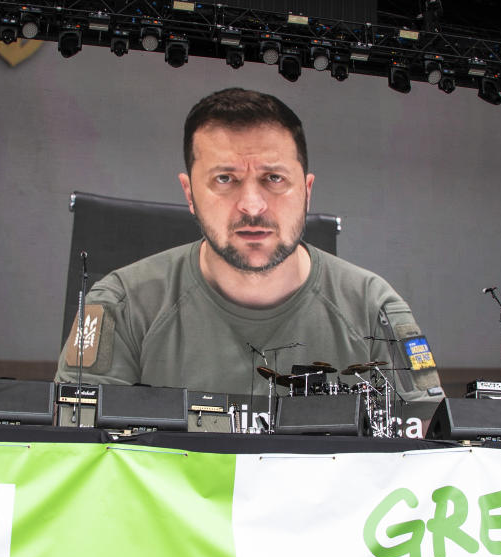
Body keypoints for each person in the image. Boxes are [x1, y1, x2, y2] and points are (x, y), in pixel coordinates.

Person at [56, 88, 443, 416]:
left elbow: (429, 457)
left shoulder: (374, 310)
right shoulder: (120, 306)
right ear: (190, 193)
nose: (253, 205)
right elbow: (78, 460)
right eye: (225, 179)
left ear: (307, 191)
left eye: (274, 179)